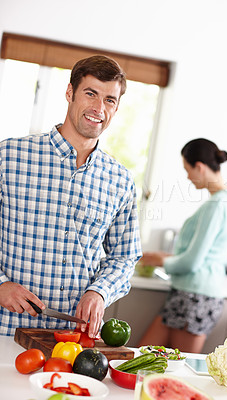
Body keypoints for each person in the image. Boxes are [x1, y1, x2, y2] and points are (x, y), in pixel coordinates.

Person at [0, 55, 142, 337]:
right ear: (70, 93)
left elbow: (125, 258)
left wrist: (100, 292)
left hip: (72, 341)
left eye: (110, 100)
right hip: (5, 330)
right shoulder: (8, 157)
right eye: (91, 94)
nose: (99, 108)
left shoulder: (121, 181)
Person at [138, 138, 227, 353]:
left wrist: (159, 260)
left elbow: (192, 262)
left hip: (195, 297)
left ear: (200, 167)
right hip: (191, 295)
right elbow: (205, 254)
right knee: (143, 358)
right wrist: (164, 257)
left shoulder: (217, 205)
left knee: (173, 370)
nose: (187, 177)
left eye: (187, 170)